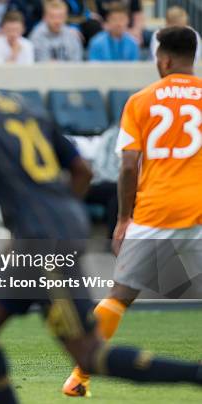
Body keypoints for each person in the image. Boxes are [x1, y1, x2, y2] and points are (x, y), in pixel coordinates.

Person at [0, 34, 202, 404]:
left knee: (89, 354)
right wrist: (58, 208)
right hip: (49, 231)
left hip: (42, 239)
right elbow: (81, 169)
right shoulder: (20, 103)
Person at [62, 26, 202, 398]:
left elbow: (127, 167)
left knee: (120, 295)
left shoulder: (141, 100)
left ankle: (79, 377)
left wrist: (124, 219)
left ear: (164, 59)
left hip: (155, 211)